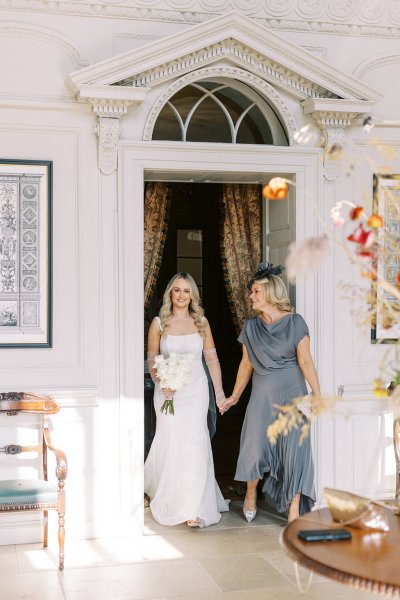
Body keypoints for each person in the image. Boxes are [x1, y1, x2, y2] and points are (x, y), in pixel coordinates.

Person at [220, 263, 320, 523]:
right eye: (251, 292)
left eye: (255, 291)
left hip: (293, 395)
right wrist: (235, 396)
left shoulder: (296, 322)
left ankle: (295, 510)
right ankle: (251, 492)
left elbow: (306, 360)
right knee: (255, 448)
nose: (251, 296)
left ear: (270, 294)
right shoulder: (251, 328)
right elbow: (246, 364)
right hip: (262, 398)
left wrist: (317, 393)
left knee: (295, 451)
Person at [144, 272, 229, 527]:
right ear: (171, 293)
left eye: (186, 290)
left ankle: (194, 508)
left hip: (195, 392)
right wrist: (163, 383)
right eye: (177, 290)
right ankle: (167, 496)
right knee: (170, 443)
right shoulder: (159, 323)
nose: (181, 295)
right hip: (168, 393)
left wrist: (220, 392)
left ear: (193, 294)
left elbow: (211, 359)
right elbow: (152, 359)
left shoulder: (201, 322)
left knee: (194, 444)